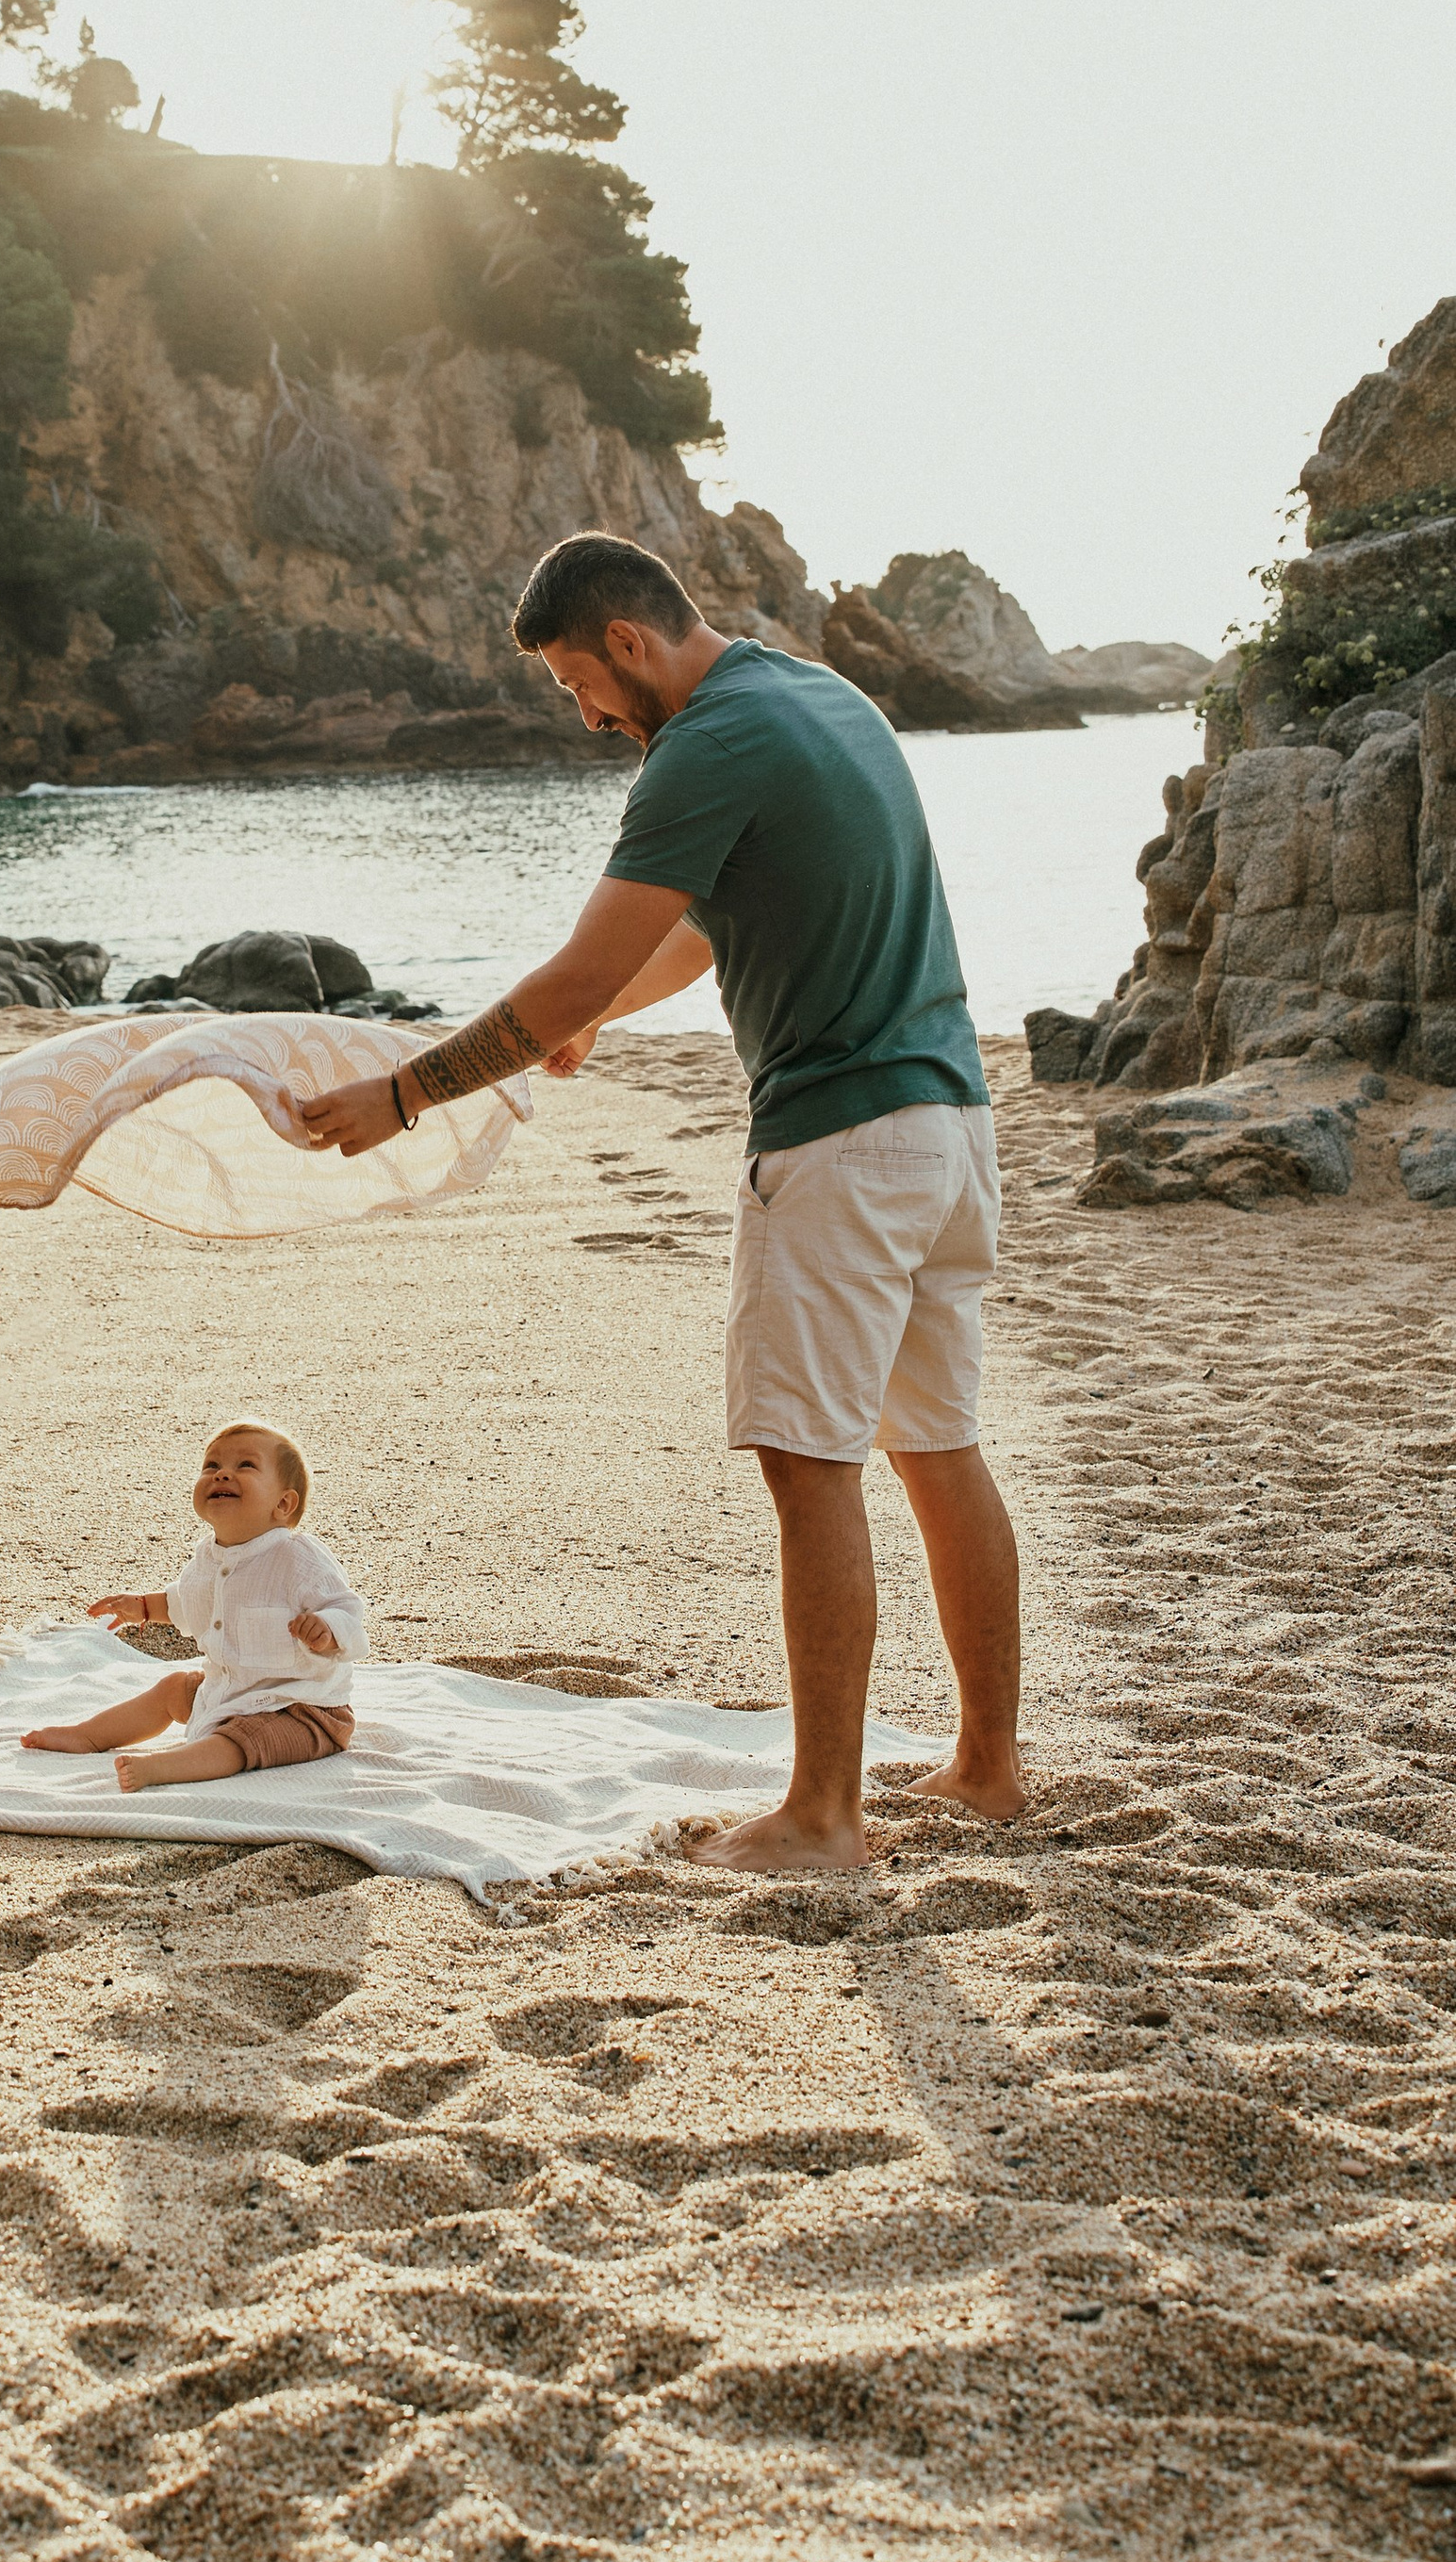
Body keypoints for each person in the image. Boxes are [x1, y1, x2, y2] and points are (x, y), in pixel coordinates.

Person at [294, 529, 1024, 1873]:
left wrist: (401, 1096)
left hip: (843, 1144)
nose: (585, 716)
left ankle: (820, 1817)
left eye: (580, 685)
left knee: (813, 1472)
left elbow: (572, 973)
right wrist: (600, 1018)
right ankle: (986, 1767)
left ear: (628, 642)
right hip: (951, 1126)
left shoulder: (705, 744)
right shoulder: (816, 697)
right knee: (940, 1447)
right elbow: (700, 932)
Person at [20, 1421, 366, 1791]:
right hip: (228, 1693)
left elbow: (346, 1609)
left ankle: (164, 1769)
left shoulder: (297, 1557)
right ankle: (89, 1735)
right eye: (211, 1466)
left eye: (245, 1466)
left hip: (301, 1708)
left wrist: (327, 1630)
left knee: (242, 1742)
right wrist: (145, 1607)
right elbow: (188, 1602)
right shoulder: (207, 1558)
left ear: (283, 1503)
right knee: (173, 1689)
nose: (222, 1474)